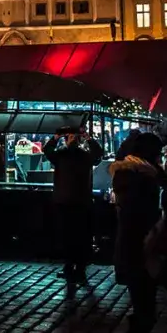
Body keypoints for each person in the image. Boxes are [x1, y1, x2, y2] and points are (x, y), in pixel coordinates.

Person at [109, 133, 161, 333]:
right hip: (138, 247)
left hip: (135, 246)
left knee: (144, 300)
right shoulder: (138, 177)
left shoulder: (135, 174)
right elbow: (138, 216)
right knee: (144, 300)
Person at [43, 125, 104, 295]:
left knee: (68, 235)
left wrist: (57, 136)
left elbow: (47, 150)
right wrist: (87, 137)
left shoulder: (61, 155)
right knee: (81, 235)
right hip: (81, 200)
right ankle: (79, 269)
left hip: (65, 201)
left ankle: (70, 266)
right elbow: (98, 152)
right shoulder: (85, 156)